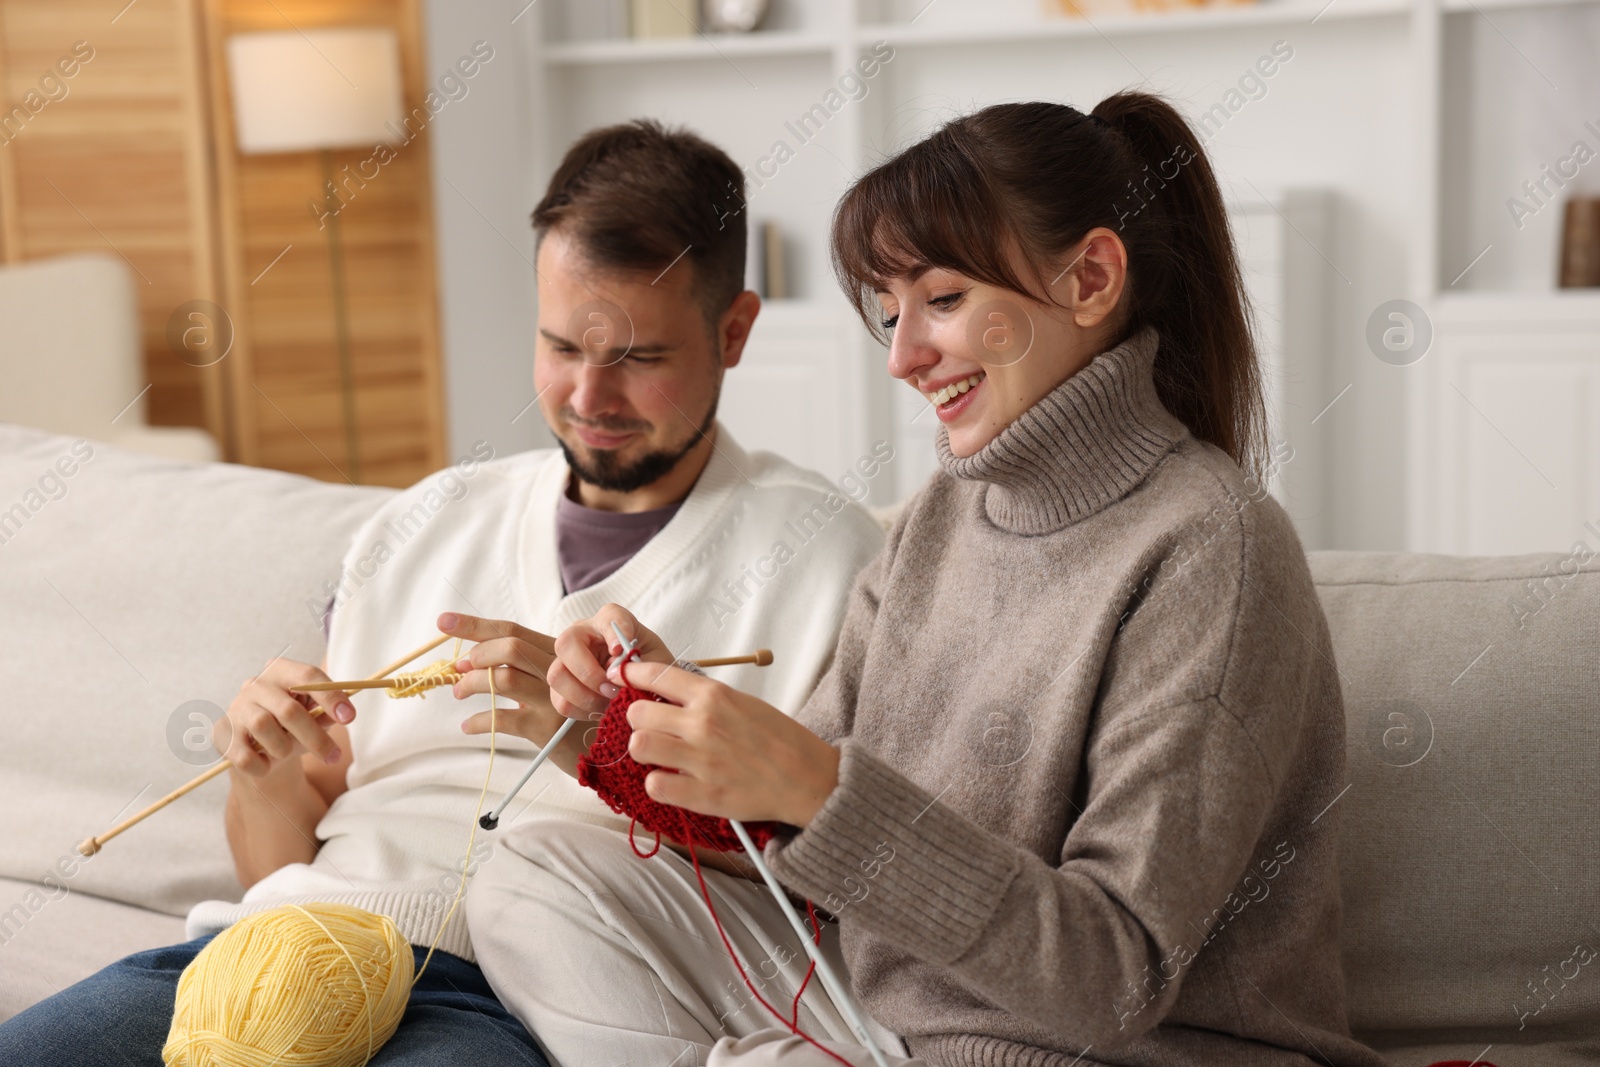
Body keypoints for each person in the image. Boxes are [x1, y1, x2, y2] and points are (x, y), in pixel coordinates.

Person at [465, 94, 1392, 1067]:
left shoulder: (1212, 545)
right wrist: (630, 729)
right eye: (889, 310)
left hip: (1099, 1051)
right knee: (531, 871)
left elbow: (1116, 976)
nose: (903, 356)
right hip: (890, 1021)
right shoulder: (933, 526)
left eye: (942, 300)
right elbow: (797, 847)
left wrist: (820, 787)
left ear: (1089, 278)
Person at [0, 119, 885, 1065]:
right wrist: (261, 774)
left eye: (638, 358)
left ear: (734, 331)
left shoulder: (824, 555)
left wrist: (606, 748)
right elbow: (278, 861)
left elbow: (811, 886)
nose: (590, 394)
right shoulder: (427, 520)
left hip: (517, 991)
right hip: (269, 944)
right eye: (559, 346)